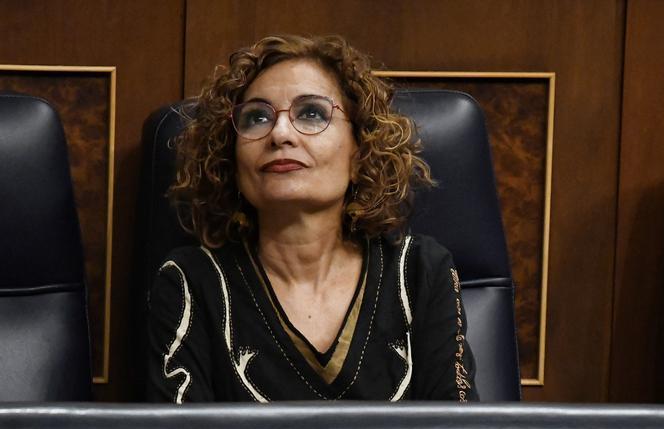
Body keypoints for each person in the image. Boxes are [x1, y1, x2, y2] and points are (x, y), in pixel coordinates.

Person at [147, 34, 476, 402]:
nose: (280, 134)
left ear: (360, 152)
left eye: (312, 113)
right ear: (231, 160)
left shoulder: (420, 272)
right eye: (256, 117)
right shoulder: (191, 281)